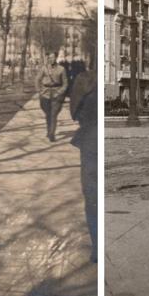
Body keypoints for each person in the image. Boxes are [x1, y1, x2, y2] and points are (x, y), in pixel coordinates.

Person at [70, 69, 97, 263]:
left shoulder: (83, 80)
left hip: (89, 141)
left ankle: (96, 246)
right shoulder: (94, 79)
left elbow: (74, 111)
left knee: (91, 197)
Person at [35, 52, 68, 142]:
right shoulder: (44, 69)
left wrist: (60, 92)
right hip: (45, 94)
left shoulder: (62, 69)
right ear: (48, 58)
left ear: (56, 58)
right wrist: (39, 91)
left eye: (53, 57)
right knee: (48, 114)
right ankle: (49, 130)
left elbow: (65, 83)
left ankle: (52, 134)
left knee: (53, 114)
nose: (52, 59)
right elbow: (37, 79)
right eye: (50, 57)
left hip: (56, 94)